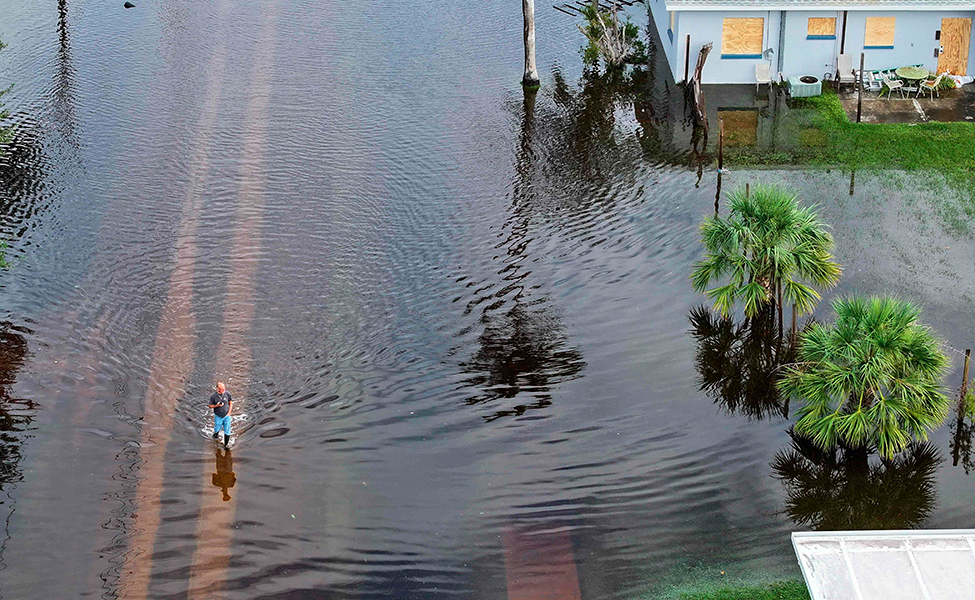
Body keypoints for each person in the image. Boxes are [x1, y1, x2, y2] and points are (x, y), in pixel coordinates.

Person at [208, 381, 232, 448]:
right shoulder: (213, 396)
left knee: (227, 429)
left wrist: (229, 413)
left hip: (226, 415)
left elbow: (230, 403)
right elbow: (210, 406)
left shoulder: (227, 394)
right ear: (217, 389)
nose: (224, 390)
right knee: (217, 427)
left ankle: (226, 445)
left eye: (224, 388)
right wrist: (217, 405)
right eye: (222, 389)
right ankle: (216, 434)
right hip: (218, 416)